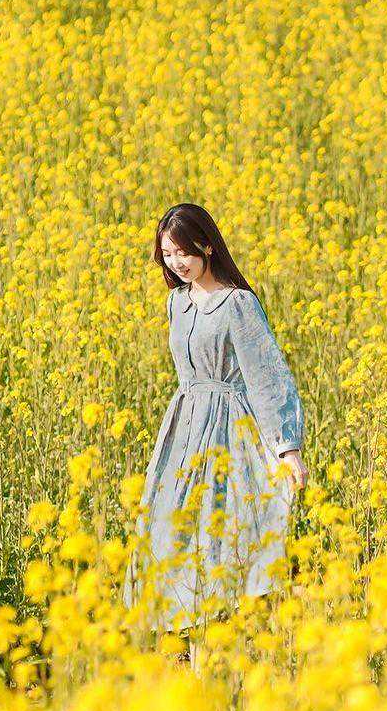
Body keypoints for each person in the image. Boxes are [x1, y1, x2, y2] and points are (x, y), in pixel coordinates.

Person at [121, 203, 308, 669]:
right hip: (183, 427)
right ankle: (184, 651)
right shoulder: (177, 302)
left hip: (228, 429)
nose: (176, 262)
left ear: (207, 244)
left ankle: (226, 650)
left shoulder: (238, 304)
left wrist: (287, 448)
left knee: (219, 532)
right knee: (171, 532)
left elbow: (266, 376)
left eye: (183, 251)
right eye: (167, 254)